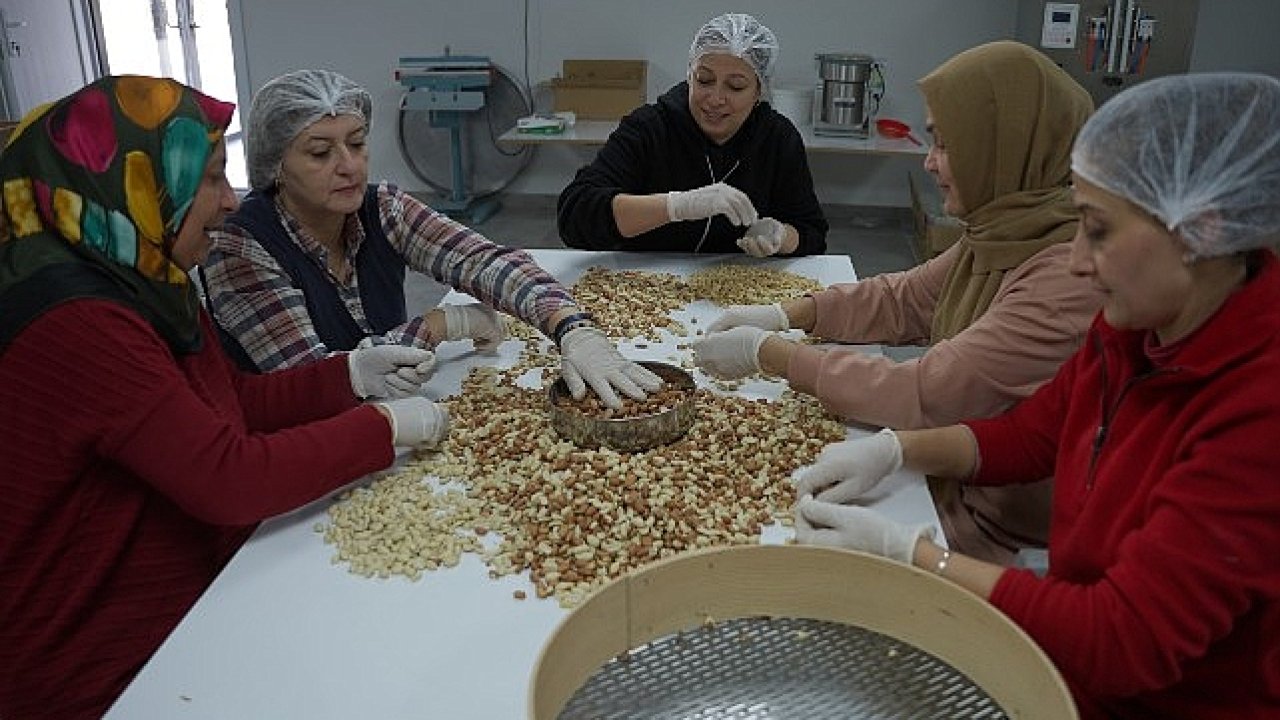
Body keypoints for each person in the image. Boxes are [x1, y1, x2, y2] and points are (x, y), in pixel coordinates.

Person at [793, 72, 1280, 718]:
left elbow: (1119, 638)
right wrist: (894, 451)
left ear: (1203, 233)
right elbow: (1033, 435)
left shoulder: (1259, 412)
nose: (1078, 260)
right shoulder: (1134, 328)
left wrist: (911, 555)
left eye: (1099, 232)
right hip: (1076, 671)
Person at [0, 76, 452, 719]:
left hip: (190, 599)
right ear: (138, 184)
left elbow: (229, 401)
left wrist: (350, 376)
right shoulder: (78, 322)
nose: (232, 200)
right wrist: (382, 427)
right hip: (100, 662)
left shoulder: (149, 277)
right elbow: (227, 476)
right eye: (210, 179)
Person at [693, 41, 1103, 564]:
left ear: (1005, 149)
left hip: (993, 518)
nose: (929, 164)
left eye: (949, 146)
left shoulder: (1064, 275)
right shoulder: (1001, 230)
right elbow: (904, 300)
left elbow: (925, 394)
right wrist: (792, 313)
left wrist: (770, 354)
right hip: (952, 478)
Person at [203, 69, 660, 409]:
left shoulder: (381, 207)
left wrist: (572, 327)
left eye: (357, 143)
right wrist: (440, 327)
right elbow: (313, 381)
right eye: (320, 152)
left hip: (391, 411)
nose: (348, 165)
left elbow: (483, 262)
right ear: (274, 165)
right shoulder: (241, 247)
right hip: (297, 443)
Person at [556, 12, 827, 256]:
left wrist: (781, 237)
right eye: (704, 80)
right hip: (647, 291)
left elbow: (812, 232)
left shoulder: (778, 139)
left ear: (759, 92)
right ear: (689, 76)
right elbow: (575, 216)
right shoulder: (650, 128)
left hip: (736, 296)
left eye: (735, 86)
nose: (715, 98)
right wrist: (676, 206)